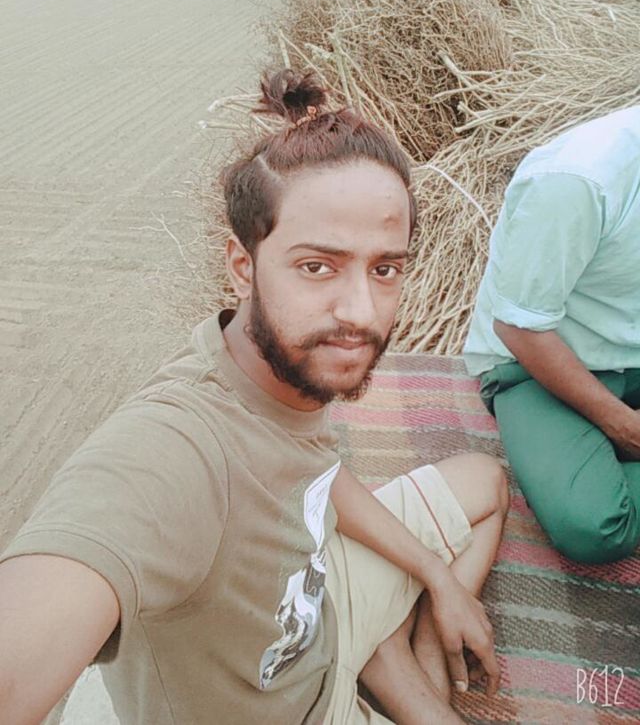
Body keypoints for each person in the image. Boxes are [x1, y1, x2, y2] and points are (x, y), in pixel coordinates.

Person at [0, 70, 508, 725]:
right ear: (242, 266)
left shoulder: (282, 368)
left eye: (384, 268)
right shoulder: (177, 448)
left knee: (486, 482)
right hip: (293, 707)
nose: (361, 311)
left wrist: (440, 580)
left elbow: (313, 470)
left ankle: (410, 652)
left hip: (318, 599)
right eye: (317, 266)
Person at [464, 105, 640, 565]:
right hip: (533, 364)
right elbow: (519, 328)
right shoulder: (580, 178)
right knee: (595, 525)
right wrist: (624, 426)